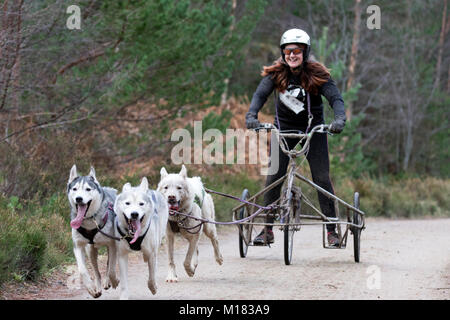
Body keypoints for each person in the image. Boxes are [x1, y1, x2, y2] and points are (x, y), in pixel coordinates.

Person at [245, 28, 346, 246]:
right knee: (274, 177)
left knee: (321, 178)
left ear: (305, 52)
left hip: (313, 130)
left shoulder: (318, 74)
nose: (292, 55)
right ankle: (267, 229)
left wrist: (339, 120)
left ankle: (331, 231)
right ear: (283, 53)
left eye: (297, 51)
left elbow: (336, 99)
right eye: (287, 50)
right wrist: (251, 115)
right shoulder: (276, 74)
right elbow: (259, 96)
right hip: (283, 130)